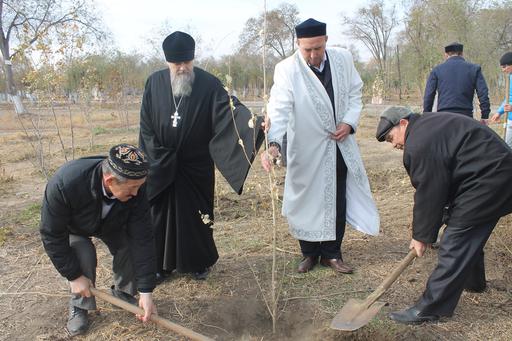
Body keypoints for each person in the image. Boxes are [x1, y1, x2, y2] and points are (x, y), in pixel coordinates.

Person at [139, 31, 264, 282]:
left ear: (193, 59)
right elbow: (146, 125)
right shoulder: (153, 83)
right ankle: (160, 266)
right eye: (177, 64)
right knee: (159, 216)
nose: (183, 68)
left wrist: (253, 123)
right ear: (167, 62)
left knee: (196, 215)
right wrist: (156, 156)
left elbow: (229, 109)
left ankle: (198, 263)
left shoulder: (208, 83)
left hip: (195, 164)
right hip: (162, 162)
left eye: (187, 62)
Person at [261, 18, 379, 274]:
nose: (313, 54)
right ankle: (309, 253)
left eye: (317, 48)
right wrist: (273, 145)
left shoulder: (343, 59)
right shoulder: (287, 69)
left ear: (326, 40)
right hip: (305, 147)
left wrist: (348, 122)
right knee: (306, 199)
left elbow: (355, 93)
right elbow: (279, 108)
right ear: (297, 44)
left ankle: (332, 254)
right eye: (307, 49)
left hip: (338, 144)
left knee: (336, 197)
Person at [376, 106, 512, 324]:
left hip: (489, 179)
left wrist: (421, 236)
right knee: (465, 229)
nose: (394, 145)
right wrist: (433, 226)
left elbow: (429, 192)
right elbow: (442, 187)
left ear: (403, 123)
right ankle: (474, 282)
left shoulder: (419, 142)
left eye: (392, 138)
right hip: (492, 175)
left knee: (456, 239)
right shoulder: (428, 127)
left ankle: (429, 308)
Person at [40, 144, 158, 336]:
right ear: (110, 180)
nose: (137, 194)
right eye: (132, 189)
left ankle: (124, 293)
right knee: (82, 250)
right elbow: (51, 234)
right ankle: (80, 305)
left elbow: (143, 238)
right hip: (75, 227)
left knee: (129, 245)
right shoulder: (65, 183)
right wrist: (74, 276)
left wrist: (146, 291)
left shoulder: (135, 184)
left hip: (113, 222)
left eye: (140, 187)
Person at [423, 42, 490, 122]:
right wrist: (485, 115)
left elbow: (429, 95)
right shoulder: (474, 69)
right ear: (462, 53)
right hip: (466, 116)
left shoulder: (437, 70)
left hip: (444, 117)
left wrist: (426, 116)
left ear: (446, 54)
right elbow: (483, 93)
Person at [490, 51, 512, 147]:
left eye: (504, 67)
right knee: (507, 146)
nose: (503, 70)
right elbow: (509, 97)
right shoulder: (510, 77)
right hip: (510, 119)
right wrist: (499, 112)